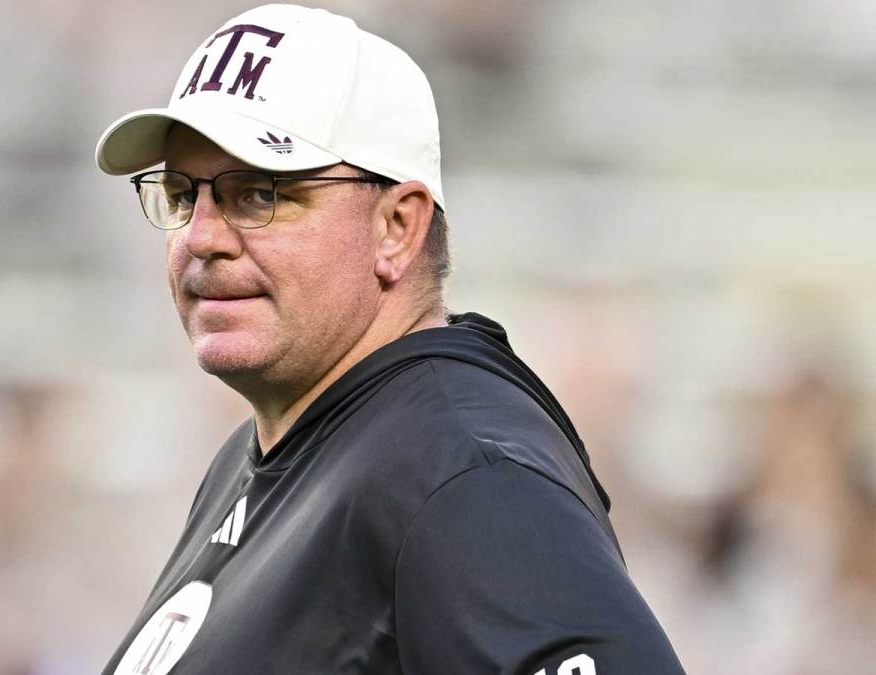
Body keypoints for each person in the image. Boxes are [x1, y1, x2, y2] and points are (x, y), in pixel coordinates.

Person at [93, 4, 684, 674]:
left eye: (256, 194)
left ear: (397, 227)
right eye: (179, 195)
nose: (200, 236)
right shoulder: (275, 451)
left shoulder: (461, 471)